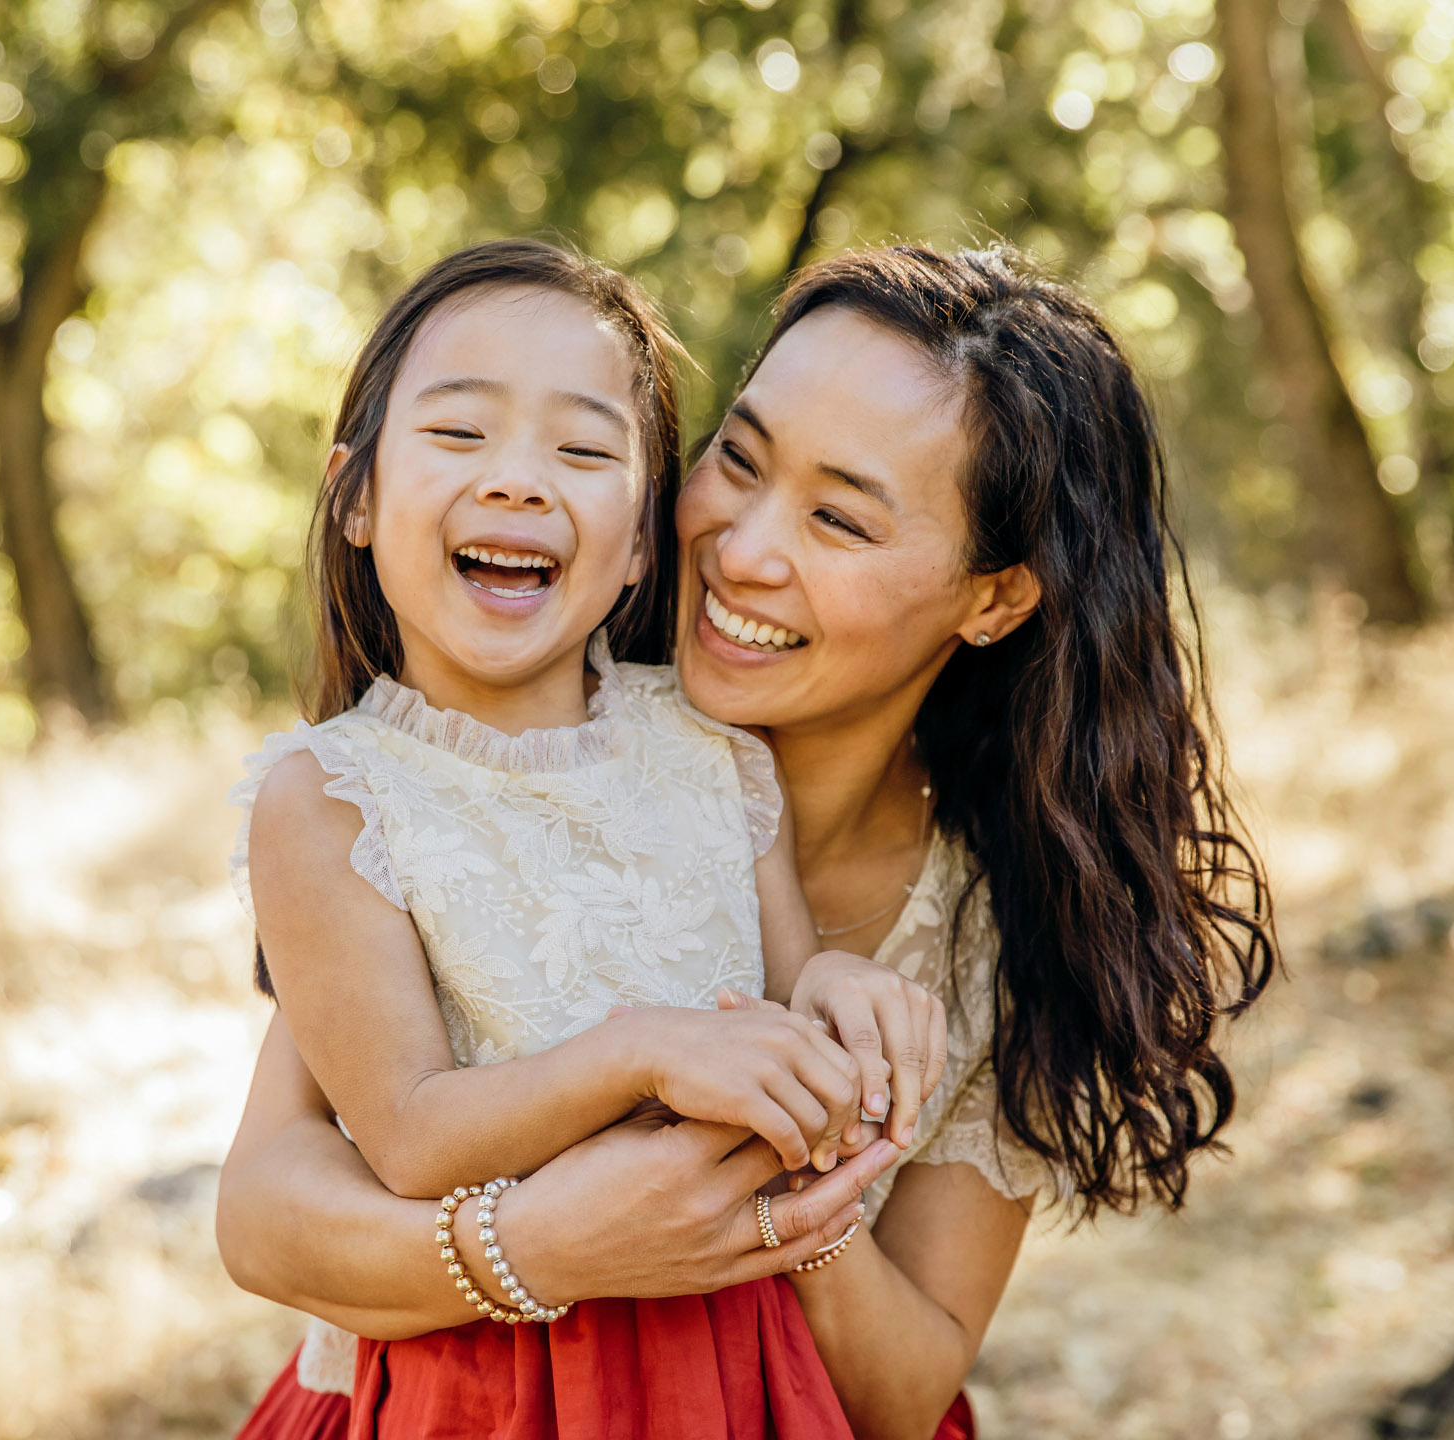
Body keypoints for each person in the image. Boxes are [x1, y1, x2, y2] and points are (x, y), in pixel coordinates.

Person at [218, 243, 1279, 1439]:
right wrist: (545, 1243)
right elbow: (274, 1204)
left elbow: (901, 1394)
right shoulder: (481, 741)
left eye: (838, 517)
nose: (742, 548)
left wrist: (784, 1151)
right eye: (738, 458)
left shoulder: (986, 914)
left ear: (995, 597)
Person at [229, 238, 953, 1438]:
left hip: (736, 1359)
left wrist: (838, 989)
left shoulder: (708, 747)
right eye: (459, 434)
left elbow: (785, 979)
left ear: (635, 545)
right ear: (355, 497)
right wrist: (639, 1056)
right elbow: (408, 1135)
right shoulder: (330, 797)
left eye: (581, 450)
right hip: (495, 1386)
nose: (519, 480)